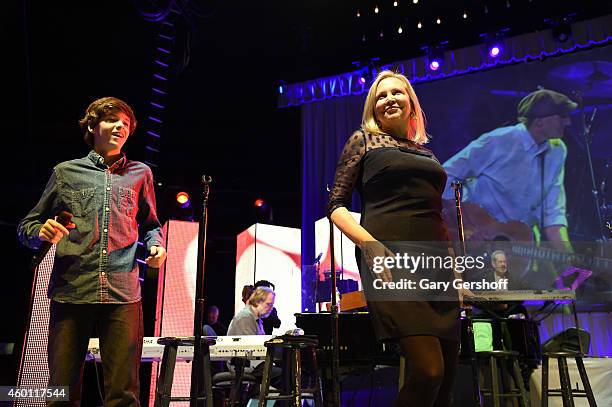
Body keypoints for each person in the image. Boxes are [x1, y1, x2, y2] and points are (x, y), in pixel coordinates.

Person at [17, 96, 167, 406]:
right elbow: (27, 226)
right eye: (113, 120)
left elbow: (151, 224)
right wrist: (39, 232)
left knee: (124, 394)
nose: (120, 126)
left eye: (126, 124)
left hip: (123, 292)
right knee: (61, 391)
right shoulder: (65, 173)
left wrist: (157, 245)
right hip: (72, 289)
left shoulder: (142, 174)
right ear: (92, 125)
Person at [328, 70, 460, 407]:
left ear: (411, 104)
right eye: (381, 96)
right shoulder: (364, 140)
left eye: (396, 93)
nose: (389, 100)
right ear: (373, 108)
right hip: (390, 260)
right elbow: (337, 207)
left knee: (446, 382)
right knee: (428, 370)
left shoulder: (426, 153)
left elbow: (435, 214)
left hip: (436, 264)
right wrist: (370, 245)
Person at [442, 88, 577, 255]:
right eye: (562, 117)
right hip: (478, 240)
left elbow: (553, 212)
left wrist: (570, 258)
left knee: (549, 279)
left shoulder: (558, 150)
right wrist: (464, 224)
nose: (568, 122)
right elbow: (445, 175)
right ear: (539, 121)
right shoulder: (500, 140)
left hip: (521, 243)